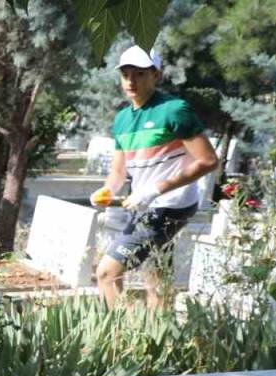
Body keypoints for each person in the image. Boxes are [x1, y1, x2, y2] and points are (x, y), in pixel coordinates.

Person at [89, 45, 218, 309]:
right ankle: (158, 339)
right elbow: (118, 170)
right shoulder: (123, 119)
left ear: (157, 75)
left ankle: (116, 339)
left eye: (139, 74)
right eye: (126, 74)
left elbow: (208, 161)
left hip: (170, 205)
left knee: (106, 273)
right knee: (157, 279)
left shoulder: (173, 110)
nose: (131, 81)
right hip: (145, 205)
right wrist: (107, 191)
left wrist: (155, 189)